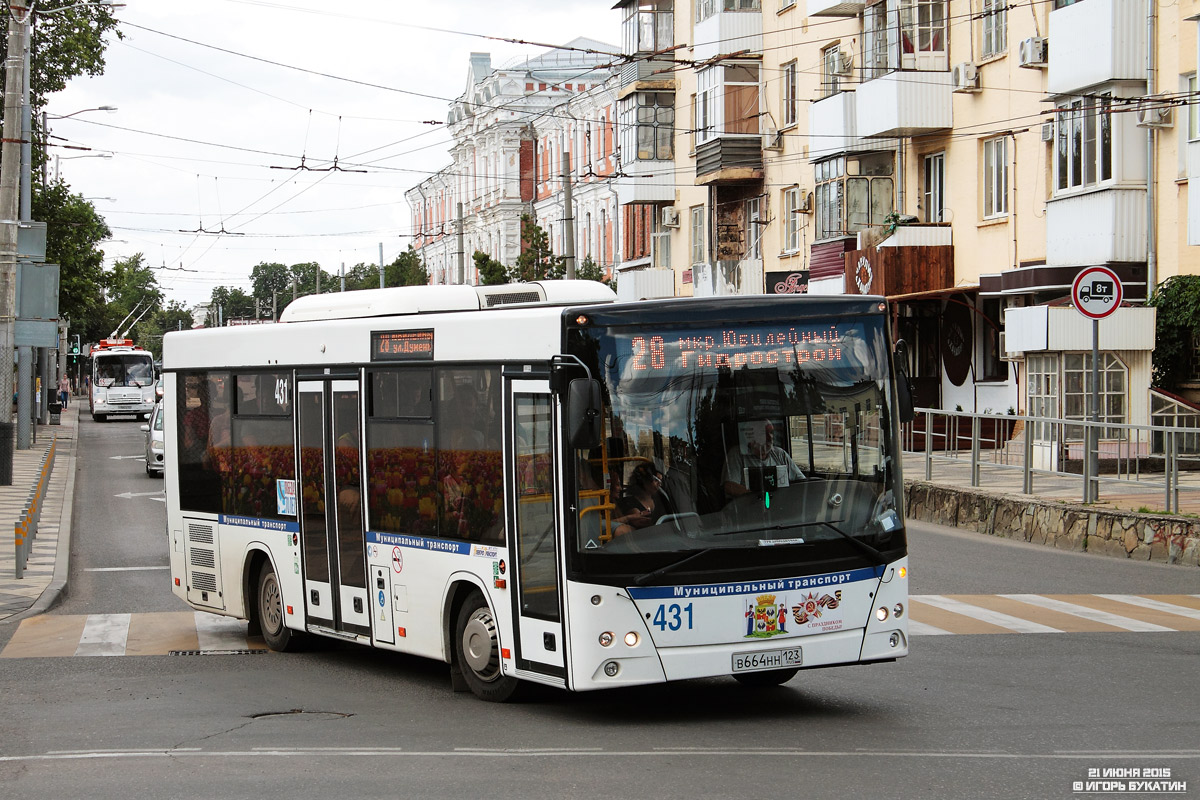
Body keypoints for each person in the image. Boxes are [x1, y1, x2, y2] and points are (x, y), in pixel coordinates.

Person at [723, 420, 804, 499]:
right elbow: (730, 486)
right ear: (751, 437)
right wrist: (757, 496)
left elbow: (801, 481)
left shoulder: (780, 454)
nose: (770, 437)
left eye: (771, 432)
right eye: (763, 434)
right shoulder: (737, 454)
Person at [612, 462, 665, 536]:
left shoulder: (661, 500)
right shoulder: (629, 502)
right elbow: (640, 522)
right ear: (645, 480)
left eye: (660, 481)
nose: (659, 484)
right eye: (656, 480)